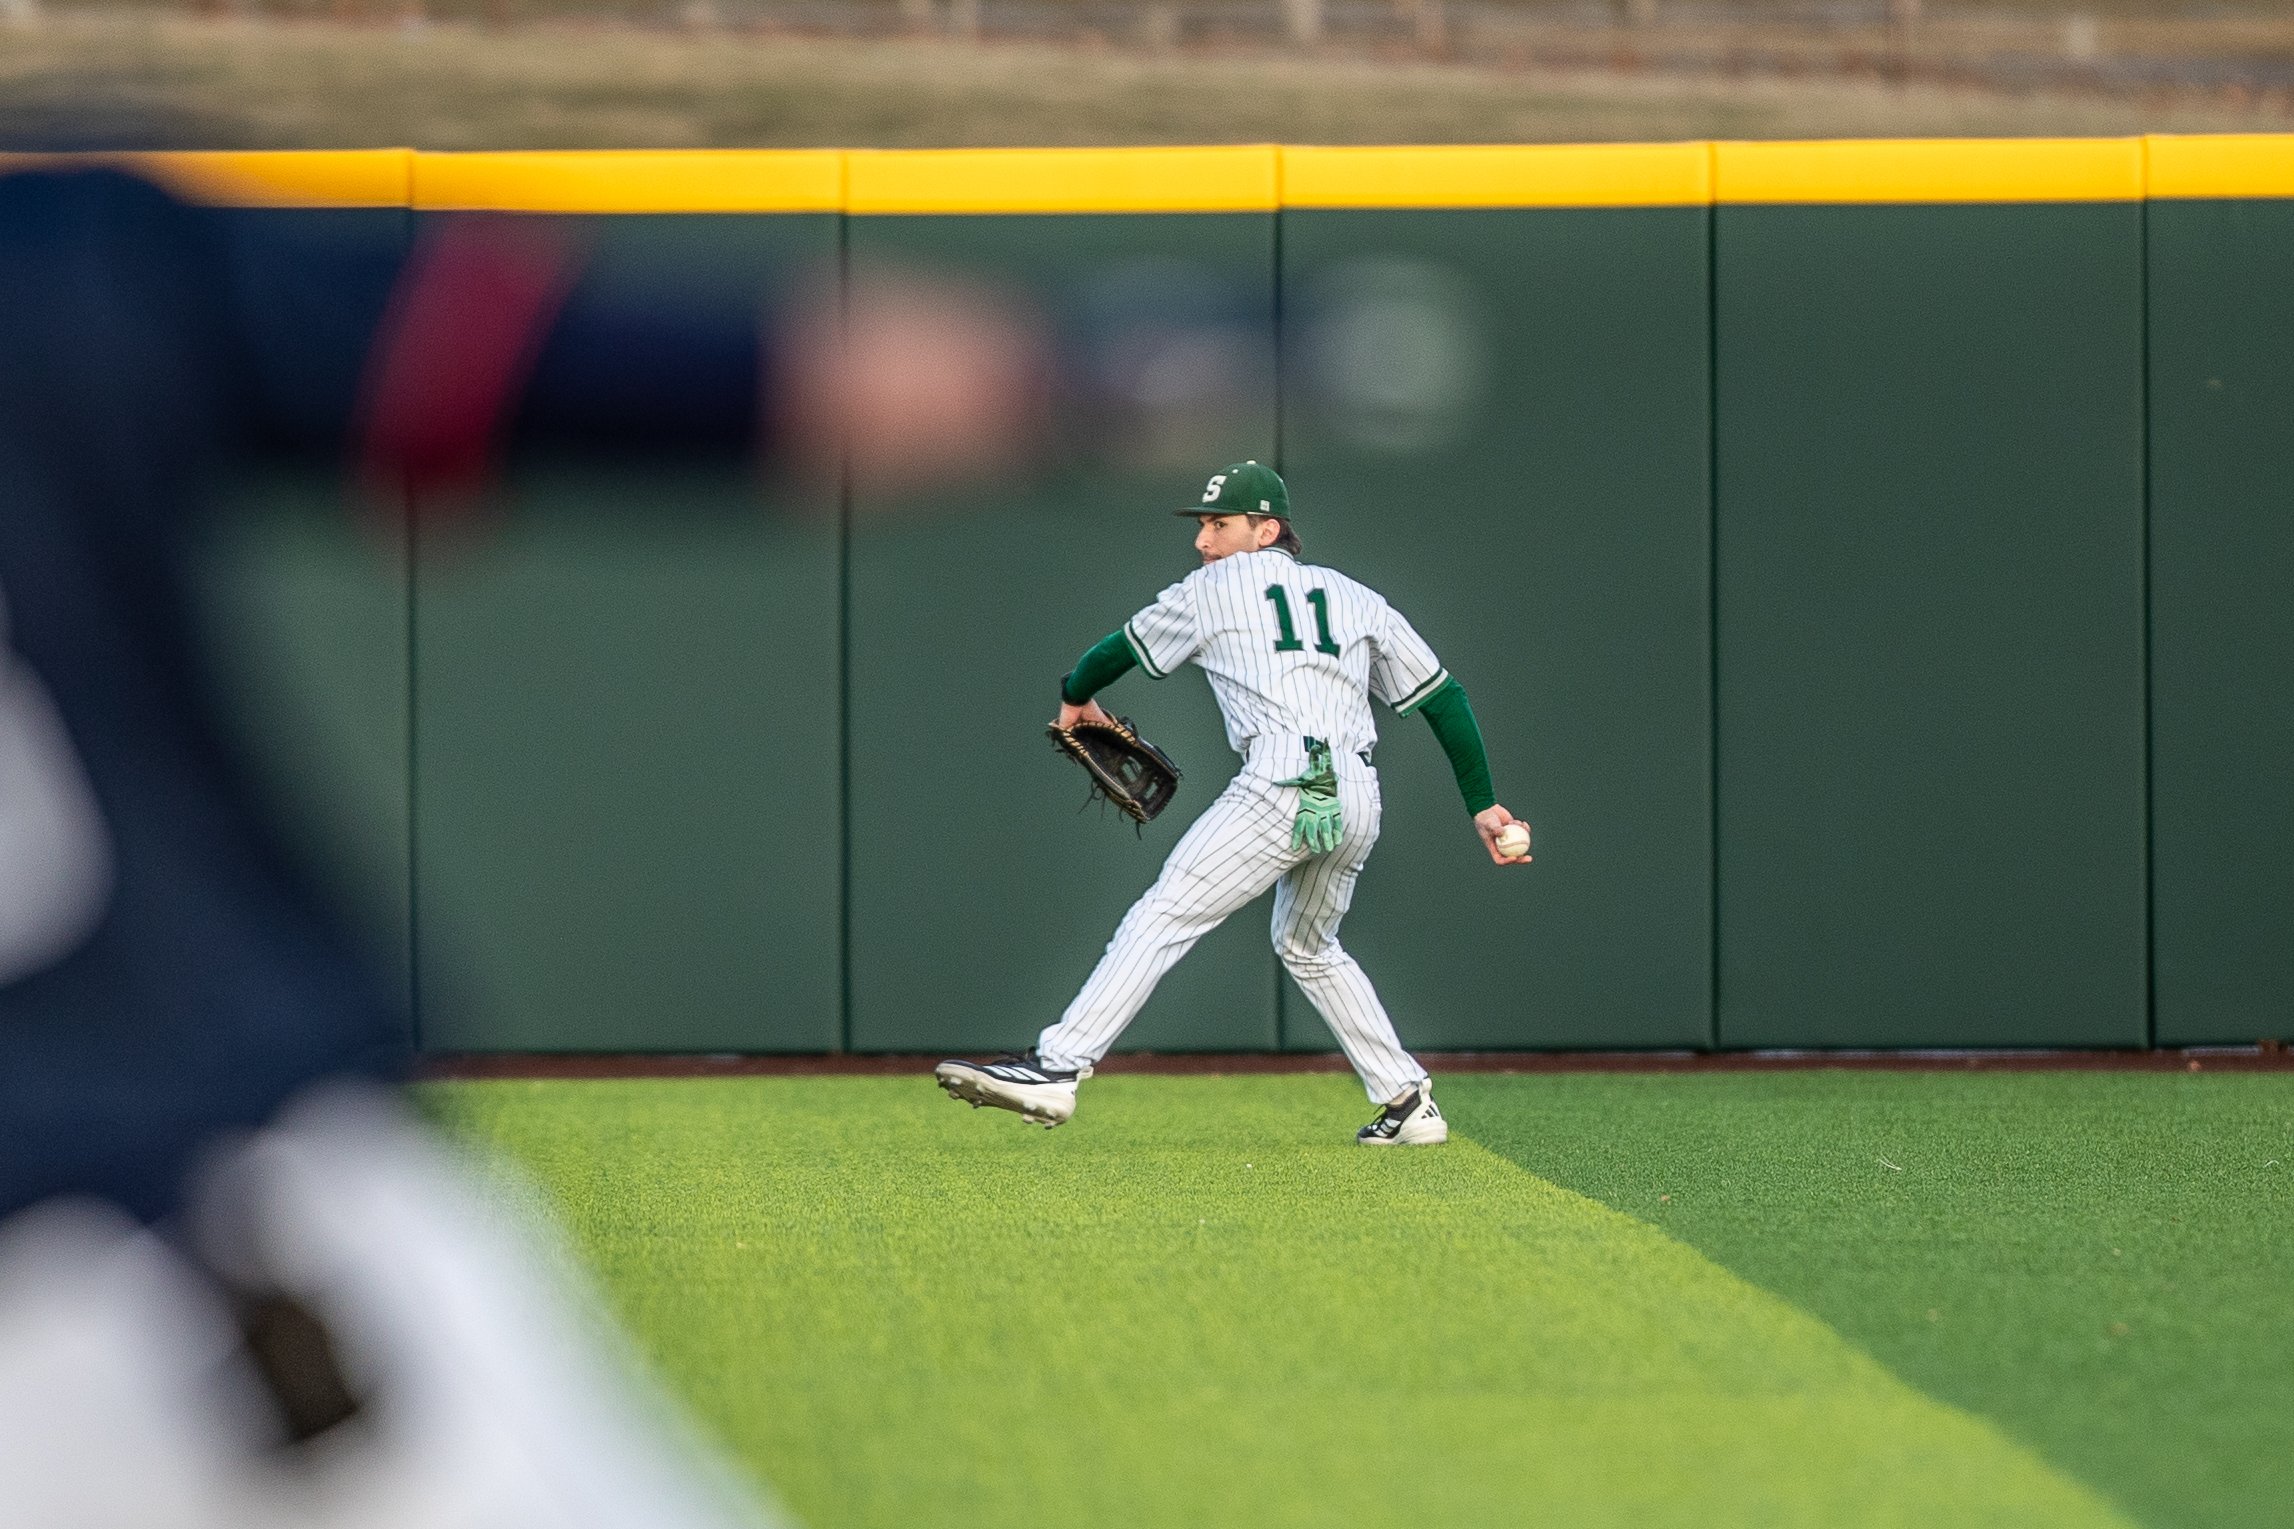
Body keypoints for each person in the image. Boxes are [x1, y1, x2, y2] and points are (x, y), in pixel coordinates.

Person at [934, 460, 1530, 1145]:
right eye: (1204, 525)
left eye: (1220, 524)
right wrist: (1483, 804)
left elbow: (1110, 653)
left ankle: (1058, 1066)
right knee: (1309, 944)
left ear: (1266, 528)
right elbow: (1442, 699)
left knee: (1162, 914)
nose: (1203, 540)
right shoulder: (1356, 597)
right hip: (1357, 797)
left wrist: (1075, 700)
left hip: (1279, 786)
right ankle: (1407, 1101)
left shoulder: (1212, 589)